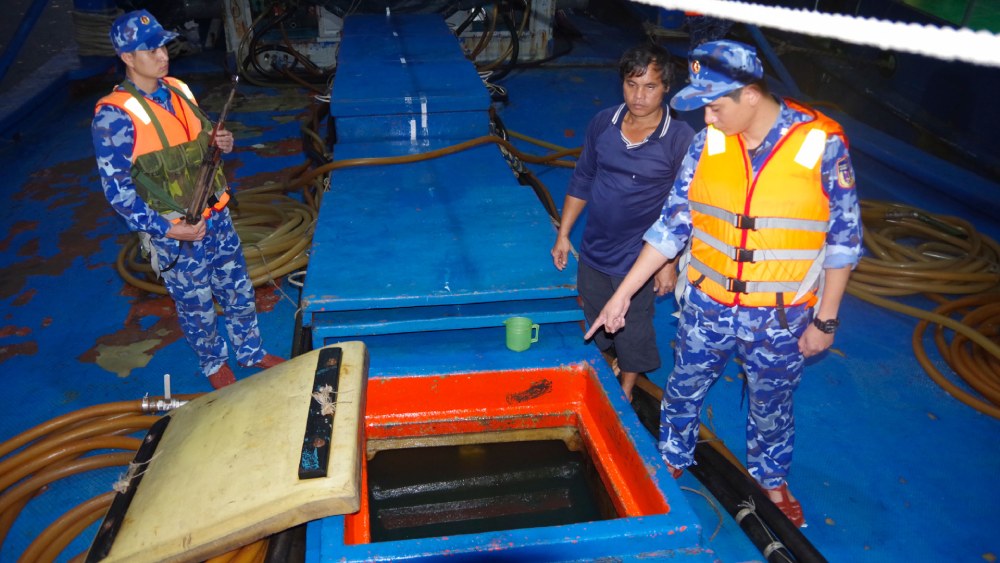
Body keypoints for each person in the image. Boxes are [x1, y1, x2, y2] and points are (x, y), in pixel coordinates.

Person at [585, 40, 862, 528]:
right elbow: (670, 227)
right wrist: (622, 294)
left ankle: (770, 478)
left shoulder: (822, 142)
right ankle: (673, 453)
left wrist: (826, 319)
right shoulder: (707, 143)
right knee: (684, 386)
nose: (708, 117)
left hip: (781, 314)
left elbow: (844, 240)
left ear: (750, 95)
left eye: (715, 105)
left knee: (772, 400)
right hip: (707, 303)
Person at [91, 10, 285, 390]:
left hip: (216, 216)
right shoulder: (113, 117)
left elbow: (202, 139)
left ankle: (250, 350)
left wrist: (221, 141)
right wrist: (169, 228)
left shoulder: (179, 89)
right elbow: (118, 192)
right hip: (175, 230)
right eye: (150, 49)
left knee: (239, 290)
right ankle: (214, 364)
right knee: (196, 305)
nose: (162, 54)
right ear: (128, 58)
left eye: (162, 45)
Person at [552, 44, 694, 402]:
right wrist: (565, 234)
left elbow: (684, 210)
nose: (639, 96)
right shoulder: (604, 122)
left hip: (641, 253)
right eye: (632, 84)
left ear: (666, 89)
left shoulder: (679, 139)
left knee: (634, 324)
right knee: (597, 312)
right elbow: (583, 179)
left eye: (650, 87)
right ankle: (605, 365)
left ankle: (628, 388)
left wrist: (668, 264)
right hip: (596, 245)